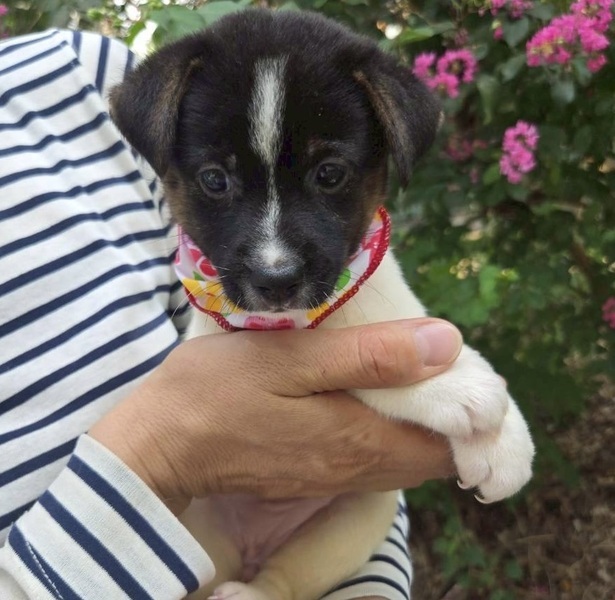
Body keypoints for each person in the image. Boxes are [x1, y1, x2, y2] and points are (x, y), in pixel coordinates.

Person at [0, 28, 459, 599]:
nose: (274, 260)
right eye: (216, 182)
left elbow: (344, 461)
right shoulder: (156, 95)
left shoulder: (79, 72)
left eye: (329, 175)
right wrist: (158, 458)